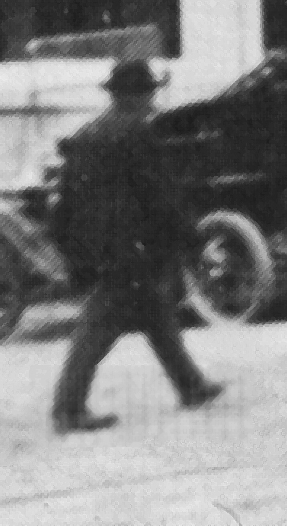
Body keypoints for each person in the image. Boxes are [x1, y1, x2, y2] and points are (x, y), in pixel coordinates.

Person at [50, 58, 222, 436]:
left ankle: (191, 386)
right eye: (149, 94)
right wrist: (191, 238)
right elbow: (159, 196)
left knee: (156, 315)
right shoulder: (138, 135)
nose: (152, 102)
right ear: (139, 96)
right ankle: (67, 409)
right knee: (97, 328)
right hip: (131, 249)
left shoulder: (85, 136)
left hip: (102, 248)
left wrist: (72, 251)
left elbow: (64, 204)